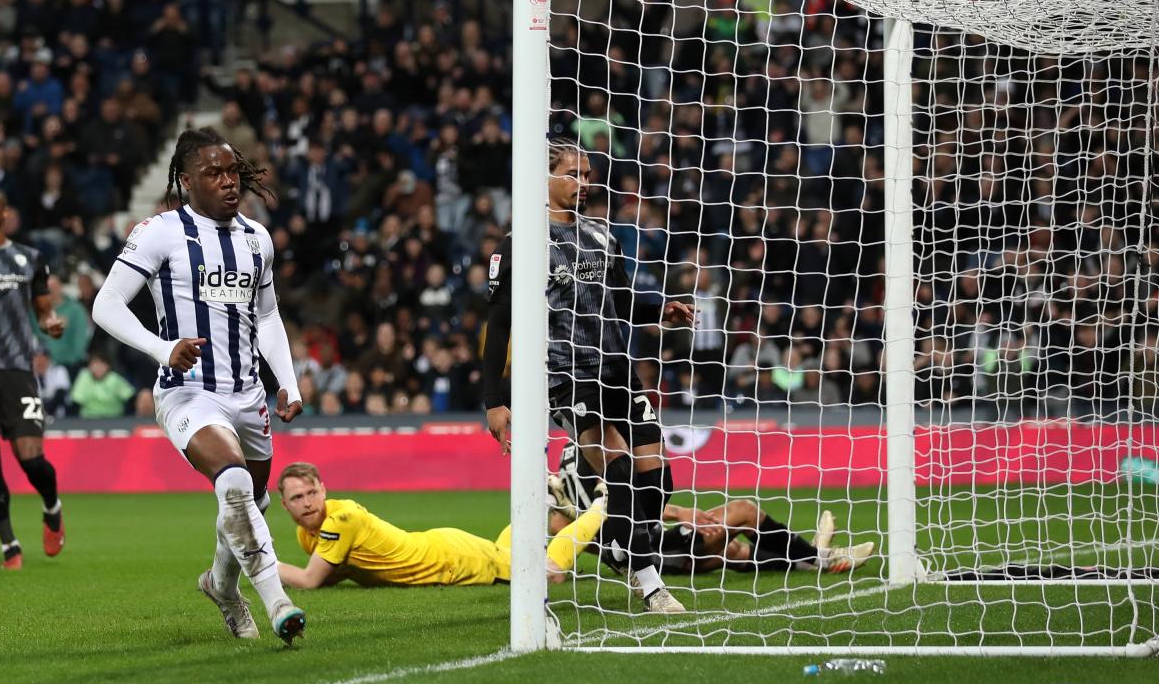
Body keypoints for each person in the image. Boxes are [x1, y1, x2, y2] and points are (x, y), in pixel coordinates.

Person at [91, 127, 306, 644]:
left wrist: (288, 383)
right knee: (233, 483)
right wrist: (163, 349)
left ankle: (221, 586)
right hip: (188, 392)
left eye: (233, 172)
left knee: (251, 500)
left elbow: (269, 316)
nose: (229, 183)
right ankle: (278, 602)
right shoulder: (161, 232)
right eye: (214, 174)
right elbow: (106, 305)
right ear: (187, 182)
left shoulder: (257, 239)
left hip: (249, 394)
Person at [483, 138, 696, 613]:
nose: (585, 182)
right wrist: (493, 399)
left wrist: (663, 308)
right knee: (619, 472)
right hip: (567, 377)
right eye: (574, 173)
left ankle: (616, 546)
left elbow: (621, 301)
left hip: (617, 369)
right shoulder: (521, 244)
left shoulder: (602, 234)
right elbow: (499, 325)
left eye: (588, 173)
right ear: (545, 179)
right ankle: (651, 584)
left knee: (658, 485)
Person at [549, 442, 876, 576]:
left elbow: (570, 522)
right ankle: (821, 557)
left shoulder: (574, 452)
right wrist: (678, 512)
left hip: (657, 546)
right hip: (660, 550)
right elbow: (619, 504)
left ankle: (808, 558)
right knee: (744, 511)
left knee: (732, 550)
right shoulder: (595, 448)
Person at [275, 461, 605, 589]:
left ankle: (605, 505)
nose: (307, 503)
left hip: (449, 562)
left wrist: (262, 563)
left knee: (548, 572)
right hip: (440, 549)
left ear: (324, 490)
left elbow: (310, 580)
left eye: (311, 493)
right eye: (297, 498)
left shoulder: (340, 519)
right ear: (284, 504)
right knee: (507, 553)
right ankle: (545, 506)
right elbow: (338, 572)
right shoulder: (307, 533)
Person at [0, 189, 67, 569]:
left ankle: (52, 508)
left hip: (17, 368)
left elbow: (43, 310)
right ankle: (10, 547)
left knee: (30, 457)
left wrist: (51, 324)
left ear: (5, 212)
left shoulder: (28, 258)